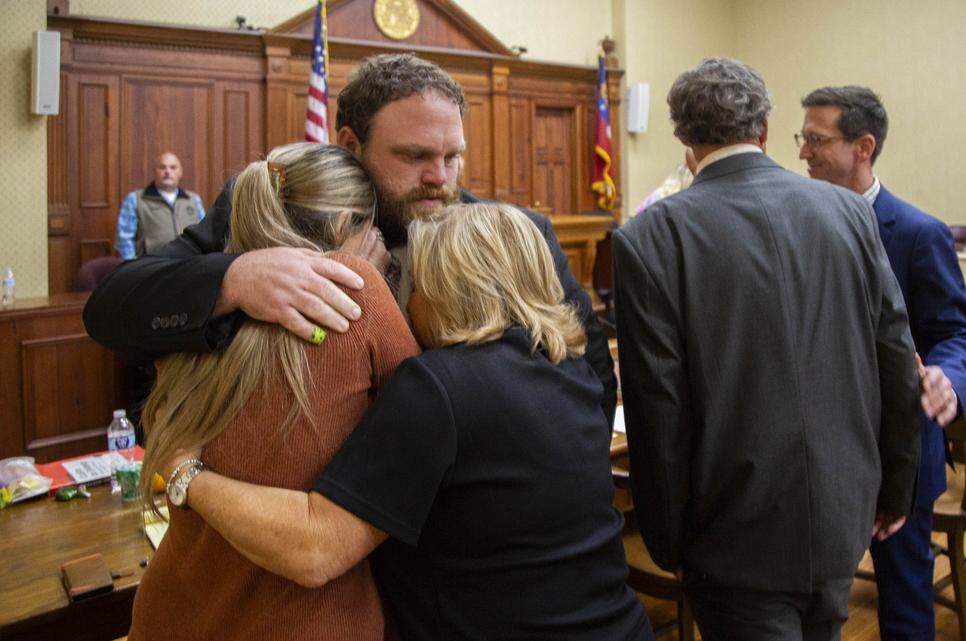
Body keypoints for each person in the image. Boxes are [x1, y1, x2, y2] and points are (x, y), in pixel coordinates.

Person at [158, 202, 653, 641]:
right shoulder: (571, 370)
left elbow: (313, 550)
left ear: (443, 284)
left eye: (408, 279)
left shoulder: (440, 387)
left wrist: (186, 475)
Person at [83, 53, 616, 425]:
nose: (440, 177)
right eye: (414, 156)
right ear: (349, 145)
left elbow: (591, 375)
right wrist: (235, 279)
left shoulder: (516, 237)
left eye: (453, 156)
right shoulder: (274, 208)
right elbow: (111, 309)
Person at [613, 57, 921, 641]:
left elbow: (659, 408)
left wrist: (666, 538)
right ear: (765, 128)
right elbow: (896, 358)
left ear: (683, 137)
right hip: (842, 508)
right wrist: (893, 488)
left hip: (730, 530)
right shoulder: (851, 212)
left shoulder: (650, 237)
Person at [129, 142, 419, 640]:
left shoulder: (204, 297)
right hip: (300, 624)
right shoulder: (360, 292)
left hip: (167, 614)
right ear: (340, 225)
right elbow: (431, 417)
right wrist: (363, 273)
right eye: (367, 228)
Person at [798, 85, 966, 641]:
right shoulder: (798, 223)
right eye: (801, 138)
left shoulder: (918, 233)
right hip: (818, 457)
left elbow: (956, 334)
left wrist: (948, 377)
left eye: (816, 139)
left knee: (903, 605)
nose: (803, 152)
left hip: (896, 455)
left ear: (864, 146)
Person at [116, 152, 206, 259]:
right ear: (154, 172)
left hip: (189, 264)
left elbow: (203, 234)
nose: (167, 172)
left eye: (173, 168)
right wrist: (133, 268)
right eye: (162, 167)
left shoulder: (193, 199)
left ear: (180, 172)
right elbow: (124, 239)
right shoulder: (135, 199)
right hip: (152, 267)